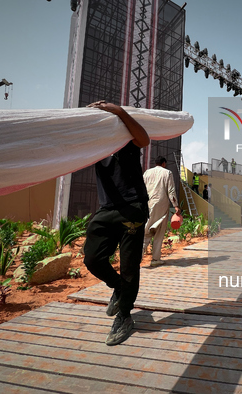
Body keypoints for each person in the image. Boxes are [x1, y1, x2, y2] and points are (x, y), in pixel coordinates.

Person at [82, 100, 150, 347]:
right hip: (106, 208)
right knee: (92, 258)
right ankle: (119, 289)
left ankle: (124, 316)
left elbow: (144, 139)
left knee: (129, 266)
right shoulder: (94, 147)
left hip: (133, 206)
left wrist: (119, 112)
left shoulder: (127, 141)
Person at [143, 156, 181, 267]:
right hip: (161, 205)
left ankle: (136, 259)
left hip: (148, 204)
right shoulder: (167, 173)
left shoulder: (147, 173)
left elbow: (142, 188)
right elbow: (171, 191)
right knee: (159, 232)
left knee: (146, 231)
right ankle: (155, 259)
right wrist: (176, 206)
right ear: (164, 163)